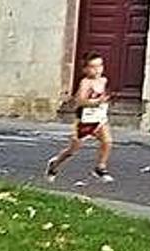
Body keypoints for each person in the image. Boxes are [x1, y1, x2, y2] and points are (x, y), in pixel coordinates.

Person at [46, 51, 114, 183]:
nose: (97, 70)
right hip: (85, 119)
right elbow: (80, 101)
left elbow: (104, 95)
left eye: (100, 66)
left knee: (107, 141)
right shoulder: (85, 82)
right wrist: (95, 102)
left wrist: (105, 100)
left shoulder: (103, 80)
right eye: (93, 67)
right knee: (74, 148)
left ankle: (100, 167)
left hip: (99, 117)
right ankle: (55, 164)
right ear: (85, 69)